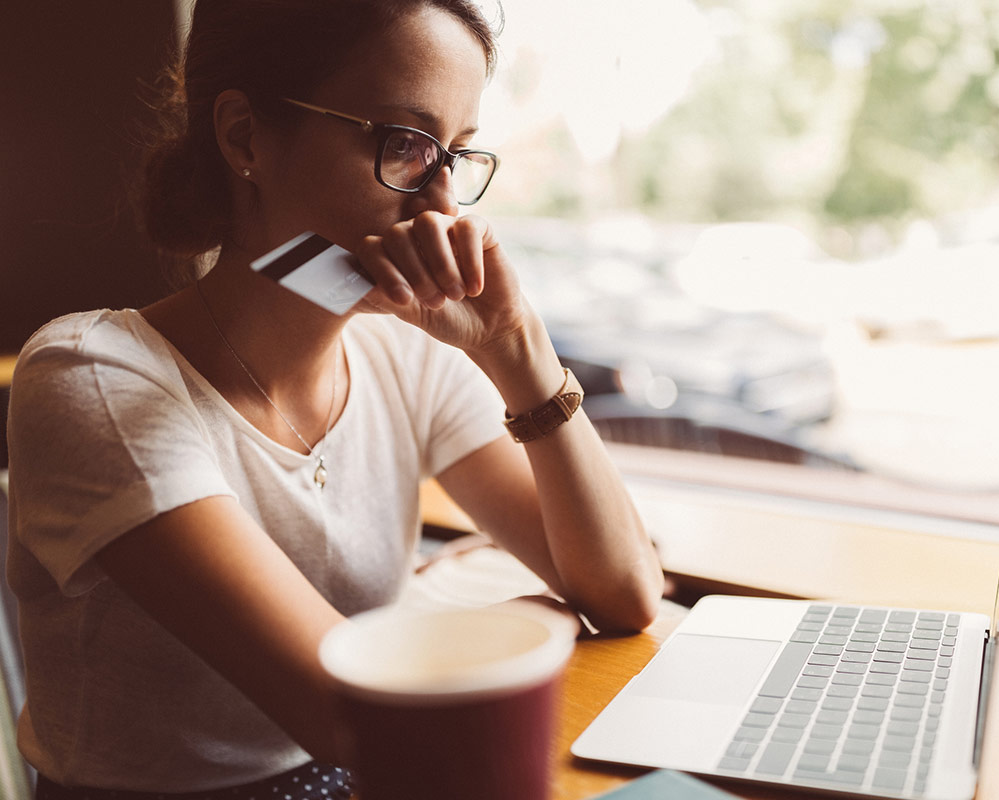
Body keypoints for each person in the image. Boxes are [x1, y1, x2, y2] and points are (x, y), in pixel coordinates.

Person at [5, 1, 664, 797]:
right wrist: (538, 623)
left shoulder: (404, 354)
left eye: (456, 155)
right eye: (405, 145)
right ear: (245, 136)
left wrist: (514, 347)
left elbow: (626, 592)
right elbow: (358, 719)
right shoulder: (94, 381)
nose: (443, 207)